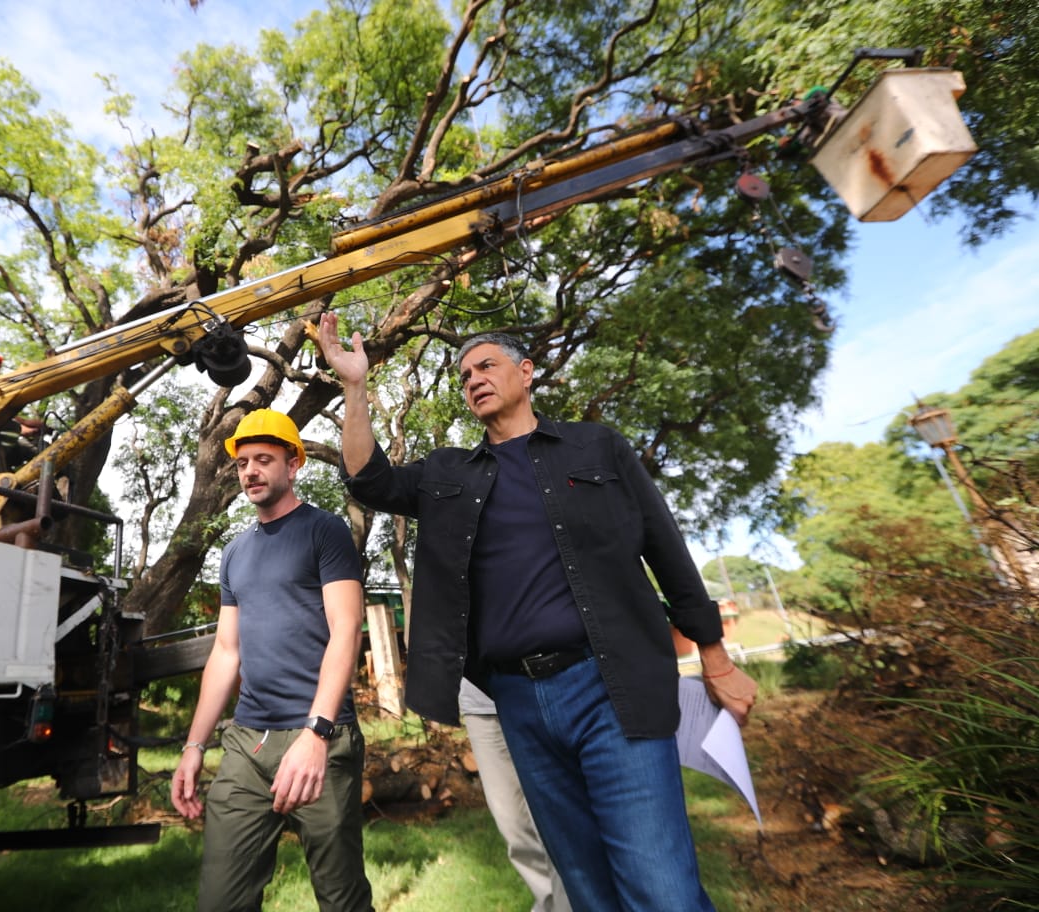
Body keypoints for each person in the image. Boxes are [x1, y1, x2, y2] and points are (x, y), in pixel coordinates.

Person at [317, 313, 757, 912]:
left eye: (487, 366)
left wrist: (715, 657)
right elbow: (369, 481)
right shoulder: (448, 474)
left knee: (661, 889)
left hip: (609, 687)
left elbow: (666, 548)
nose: (473, 379)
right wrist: (355, 385)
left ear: (526, 373)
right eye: (464, 375)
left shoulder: (596, 447)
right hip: (518, 702)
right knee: (587, 889)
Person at [171, 408, 374, 912]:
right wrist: (194, 746)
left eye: (263, 460)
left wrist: (316, 734)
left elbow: (346, 630)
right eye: (243, 463)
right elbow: (226, 651)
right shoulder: (235, 552)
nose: (251, 472)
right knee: (220, 901)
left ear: (293, 464)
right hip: (248, 743)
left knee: (342, 901)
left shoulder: (325, 531)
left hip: (320, 737)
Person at [459, 678, 571, 912]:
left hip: (535, 688)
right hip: (479, 701)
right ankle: (551, 904)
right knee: (514, 827)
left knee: (557, 830)